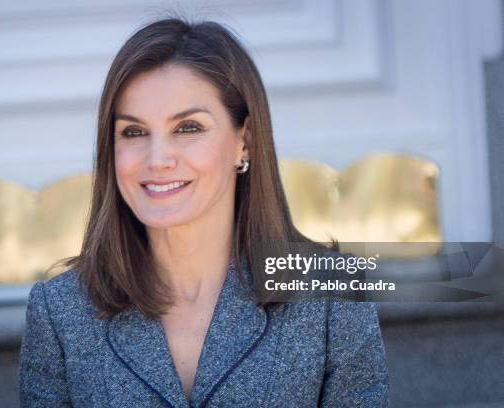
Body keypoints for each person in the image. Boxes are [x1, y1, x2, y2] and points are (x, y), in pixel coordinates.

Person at [19, 17, 389, 407]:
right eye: (133, 131)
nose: (158, 159)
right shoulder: (58, 312)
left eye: (188, 128)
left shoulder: (333, 296)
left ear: (243, 141)